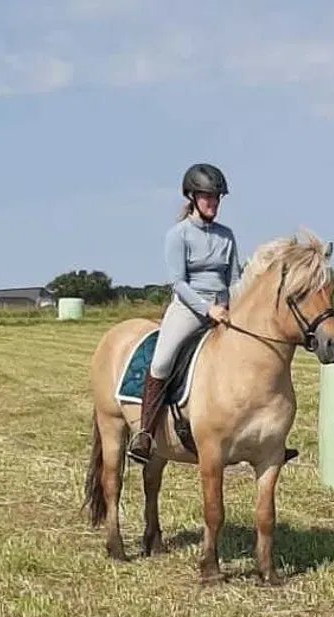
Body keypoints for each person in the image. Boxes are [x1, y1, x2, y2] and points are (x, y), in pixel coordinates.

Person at [128, 162, 243, 464]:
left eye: (216, 198)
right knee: (163, 360)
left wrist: (236, 307)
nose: (213, 203)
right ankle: (145, 433)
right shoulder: (178, 235)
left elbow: (234, 280)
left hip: (224, 307)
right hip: (190, 308)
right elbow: (179, 282)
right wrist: (208, 309)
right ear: (192, 197)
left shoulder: (227, 236)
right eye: (207, 197)